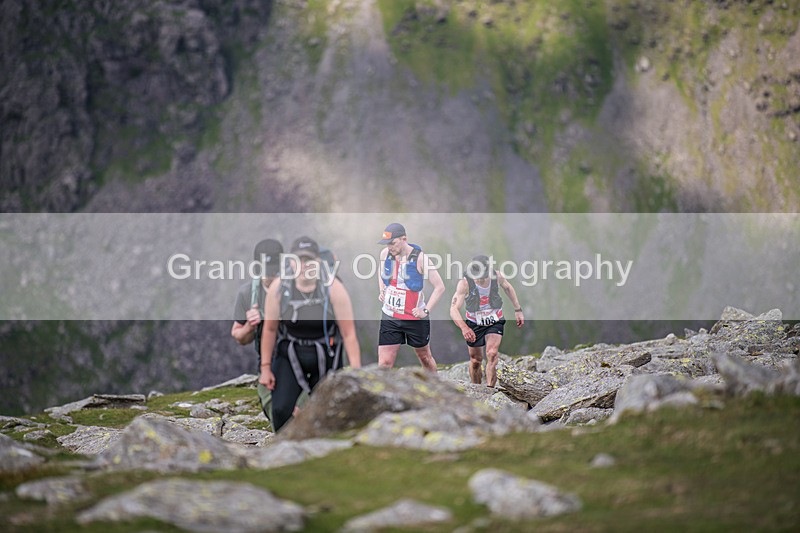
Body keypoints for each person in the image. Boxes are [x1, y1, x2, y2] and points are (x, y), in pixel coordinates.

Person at [259, 236, 361, 431]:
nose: (304, 265)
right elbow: (270, 329)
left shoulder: (333, 288)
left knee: (330, 409)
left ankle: (326, 446)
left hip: (326, 353)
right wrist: (265, 368)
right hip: (290, 353)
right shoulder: (279, 288)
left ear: (318, 262)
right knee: (280, 409)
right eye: (299, 260)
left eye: (309, 260)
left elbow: (349, 334)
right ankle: (284, 445)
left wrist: (357, 372)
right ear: (291, 262)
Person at [377, 222, 444, 372]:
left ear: (404, 239)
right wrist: (382, 290)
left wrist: (425, 311)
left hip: (414, 318)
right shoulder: (385, 254)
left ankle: (435, 385)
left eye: (392, 243)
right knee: (385, 362)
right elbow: (381, 273)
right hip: (390, 316)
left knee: (424, 357)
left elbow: (440, 287)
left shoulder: (420, 259)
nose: (389, 247)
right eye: (387, 244)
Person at [449, 254, 524, 387]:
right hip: (474, 322)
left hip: (494, 319)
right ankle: (476, 389)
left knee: (492, 353)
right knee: (476, 360)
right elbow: (454, 309)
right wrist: (464, 328)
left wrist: (518, 309)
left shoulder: (496, 276)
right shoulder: (465, 283)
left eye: (483, 276)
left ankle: (490, 390)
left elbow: (507, 288)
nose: (479, 279)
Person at [231, 238, 284, 419]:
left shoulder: (295, 288)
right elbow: (238, 336)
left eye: (275, 269)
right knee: (278, 414)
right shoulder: (247, 293)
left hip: (299, 362)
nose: (272, 275)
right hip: (269, 366)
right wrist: (249, 326)